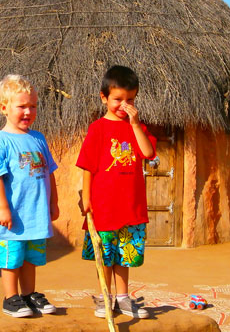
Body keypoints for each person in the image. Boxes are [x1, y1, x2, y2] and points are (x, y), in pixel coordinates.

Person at [77, 65, 157, 319]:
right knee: (106, 255)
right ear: (104, 98)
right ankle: (105, 296)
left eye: (130, 99)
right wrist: (87, 199)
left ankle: (123, 298)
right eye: (118, 100)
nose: (124, 105)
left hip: (131, 207)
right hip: (103, 207)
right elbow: (88, 167)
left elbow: (147, 153)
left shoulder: (138, 128)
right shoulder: (97, 129)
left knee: (125, 255)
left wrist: (134, 125)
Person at [0, 74, 60, 318]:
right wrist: (3, 208)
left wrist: (53, 202)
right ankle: (10, 298)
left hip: (36, 215)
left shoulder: (38, 138)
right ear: (4, 107)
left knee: (31, 258)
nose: (28, 111)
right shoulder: (0, 142)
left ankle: (29, 294)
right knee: (11, 258)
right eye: (22, 106)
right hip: (14, 217)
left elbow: (49, 173)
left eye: (33, 106)